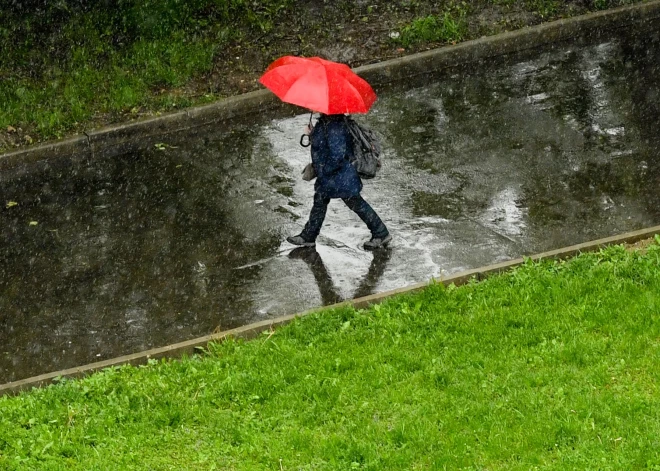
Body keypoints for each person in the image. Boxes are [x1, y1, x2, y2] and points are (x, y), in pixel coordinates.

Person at [287, 113, 391, 251]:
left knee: (355, 203)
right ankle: (308, 236)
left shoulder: (334, 126)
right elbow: (324, 145)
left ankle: (381, 233)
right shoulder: (326, 123)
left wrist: (322, 168)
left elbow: (337, 154)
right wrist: (312, 134)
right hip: (333, 176)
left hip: (339, 176)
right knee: (320, 202)